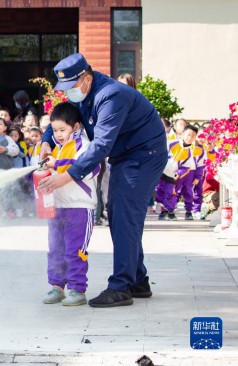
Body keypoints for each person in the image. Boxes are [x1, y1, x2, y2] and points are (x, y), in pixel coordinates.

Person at [38, 53, 167, 307]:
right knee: (119, 213)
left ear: (86, 78)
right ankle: (137, 280)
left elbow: (101, 146)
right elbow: (65, 118)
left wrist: (67, 176)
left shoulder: (111, 95)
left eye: (71, 87)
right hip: (125, 155)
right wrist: (45, 141)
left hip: (143, 155)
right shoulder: (83, 92)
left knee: (123, 215)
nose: (68, 93)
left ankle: (121, 287)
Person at [42, 102, 98, 306]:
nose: (57, 134)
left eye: (62, 130)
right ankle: (57, 286)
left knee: (75, 250)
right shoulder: (56, 148)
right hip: (58, 206)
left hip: (80, 207)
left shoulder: (84, 144)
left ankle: (76, 289)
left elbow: (89, 168)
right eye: (54, 130)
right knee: (55, 248)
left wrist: (55, 164)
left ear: (75, 127)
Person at [157, 125, 204, 221]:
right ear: (182, 134)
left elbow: (188, 166)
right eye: (188, 135)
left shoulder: (192, 150)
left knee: (174, 192)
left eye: (193, 136)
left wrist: (179, 173)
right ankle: (165, 210)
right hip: (163, 173)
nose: (190, 138)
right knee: (161, 191)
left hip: (176, 175)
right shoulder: (170, 144)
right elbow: (160, 156)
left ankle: (172, 212)